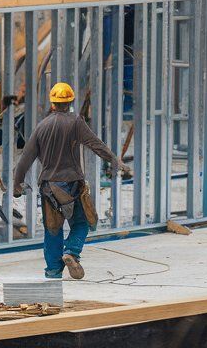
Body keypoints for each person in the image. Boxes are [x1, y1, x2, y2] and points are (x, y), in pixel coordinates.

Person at [12, 83, 131, 280]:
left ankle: (53, 272)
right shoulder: (76, 122)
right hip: (72, 185)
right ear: (70, 102)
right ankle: (72, 252)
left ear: (52, 104)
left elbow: (25, 158)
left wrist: (17, 185)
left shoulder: (42, 127)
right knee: (82, 223)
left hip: (49, 186)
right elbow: (95, 144)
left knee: (53, 229)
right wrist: (115, 161)